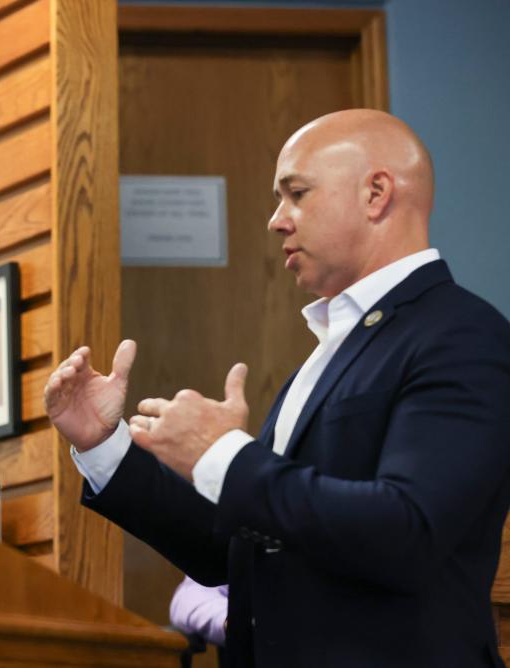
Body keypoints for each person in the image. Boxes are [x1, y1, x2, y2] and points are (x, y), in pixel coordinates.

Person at [44, 110, 510, 667]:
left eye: (296, 193)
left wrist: (223, 456)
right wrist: (104, 446)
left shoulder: (461, 335)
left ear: (376, 193)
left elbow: (406, 532)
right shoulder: (332, 349)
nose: (275, 221)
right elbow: (233, 552)